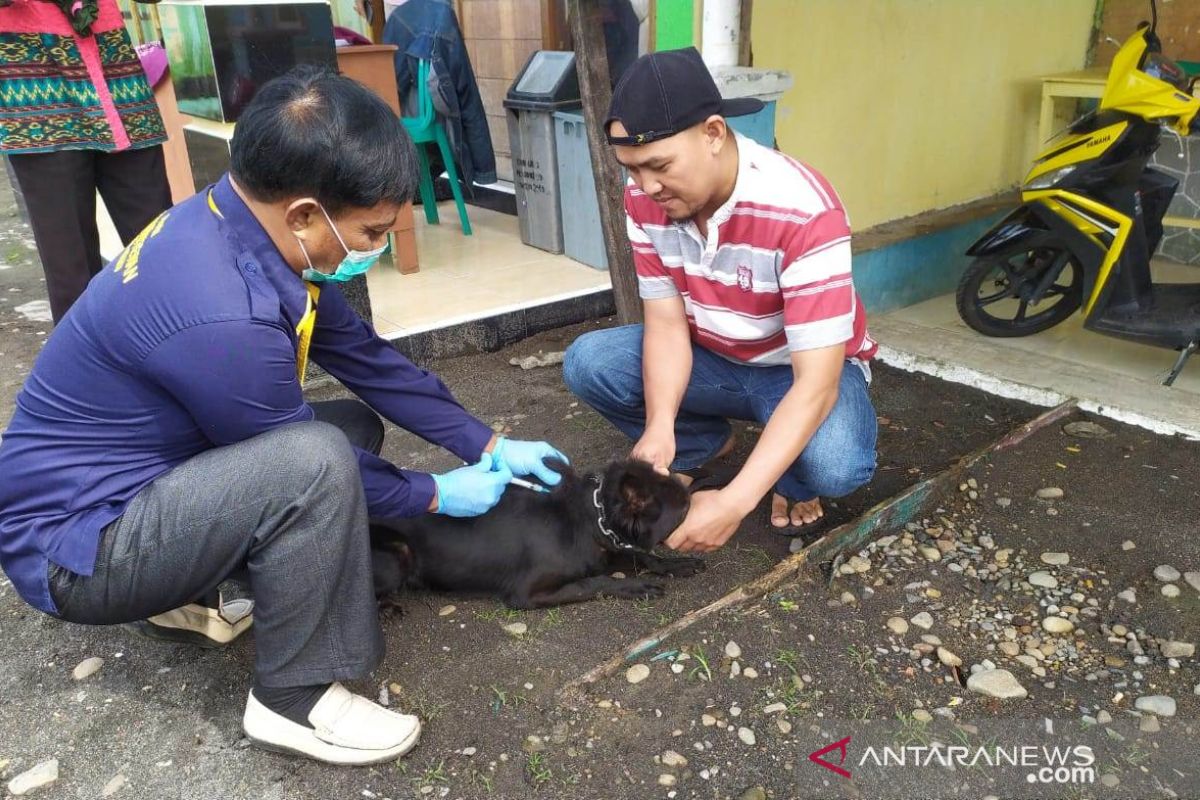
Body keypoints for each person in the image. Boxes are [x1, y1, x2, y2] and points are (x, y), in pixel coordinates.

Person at [0, 66, 567, 765]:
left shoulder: (238, 228)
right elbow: (297, 453)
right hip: (76, 548)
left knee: (348, 432)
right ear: (304, 213)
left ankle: (186, 598)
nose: (376, 247)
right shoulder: (220, 309)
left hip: (126, 488)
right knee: (316, 459)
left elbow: (366, 357)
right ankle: (291, 700)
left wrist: (488, 442)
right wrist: (435, 493)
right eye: (372, 230)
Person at [563, 48, 877, 554]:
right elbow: (665, 326)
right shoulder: (644, 200)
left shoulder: (802, 211)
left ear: (712, 133)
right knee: (590, 361)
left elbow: (816, 383)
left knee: (838, 464)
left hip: (798, 370)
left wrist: (733, 502)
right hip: (716, 358)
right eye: (632, 169)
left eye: (659, 165)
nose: (647, 186)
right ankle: (697, 444)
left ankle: (793, 479)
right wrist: (661, 425)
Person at [0, 0, 173, 323]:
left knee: (161, 247)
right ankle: (87, 369)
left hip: (120, 87)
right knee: (71, 268)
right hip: (37, 96)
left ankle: (188, 351)